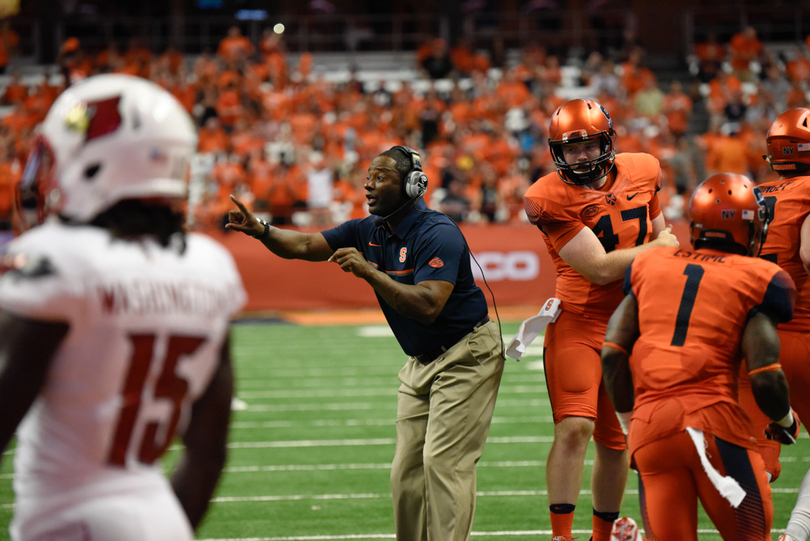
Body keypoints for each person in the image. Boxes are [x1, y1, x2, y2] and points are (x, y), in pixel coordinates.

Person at [0, 74, 246, 541]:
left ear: (96, 164)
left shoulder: (59, 260)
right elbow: (209, 449)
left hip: (68, 523)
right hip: (162, 519)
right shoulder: (209, 266)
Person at [227, 145, 505, 541]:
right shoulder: (367, 229)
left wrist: (370, 273)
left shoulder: (437, 232)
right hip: (421, 360)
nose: (368, 184)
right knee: (406, 471)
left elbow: (428, 305)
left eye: (380, 177)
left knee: (443, 462)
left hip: (466, 354)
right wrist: (263, 231)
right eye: (369, 176)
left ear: (412, 185)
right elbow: (305, 246)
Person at [601, 172, 799, 541]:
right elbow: (765, 373)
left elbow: (612, 352)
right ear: (751, 230)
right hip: (712, 422)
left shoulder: (650, 263)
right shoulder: (760, 276)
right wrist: (785, 420)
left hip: (650, 428)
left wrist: (632, 424)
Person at [522, 98, 680, 541]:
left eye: (589, 146)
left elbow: (660, 232)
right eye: (571, 150)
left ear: (607, 142)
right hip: (580, 320)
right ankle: (561, 536)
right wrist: (657, 249)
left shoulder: (645, 168)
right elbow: (601, 267)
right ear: (557, 152)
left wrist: (659, 254)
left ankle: (601, 535)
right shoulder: (546, 197)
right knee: (575, 427)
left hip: (632, 322)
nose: (581, 156)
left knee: (617, 443)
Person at [737, 107, 810, 541]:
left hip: (747, 339)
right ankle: (797, 534)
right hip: (799, 334)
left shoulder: (751, 195)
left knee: (757, 458)